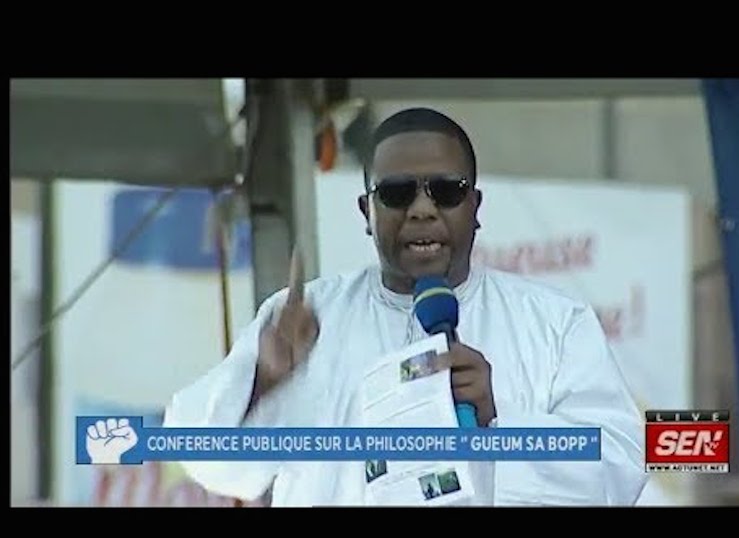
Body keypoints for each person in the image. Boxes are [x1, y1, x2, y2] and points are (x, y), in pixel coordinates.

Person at [164, 107, 648, 506]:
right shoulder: (304, 321)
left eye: (446, 191)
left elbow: (620, 468)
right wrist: (263, 382)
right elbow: (212, 465)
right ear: (367, 212)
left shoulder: (554, 324)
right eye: (396, 194)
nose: (422, 209)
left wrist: (499, 419)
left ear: (475, 207)